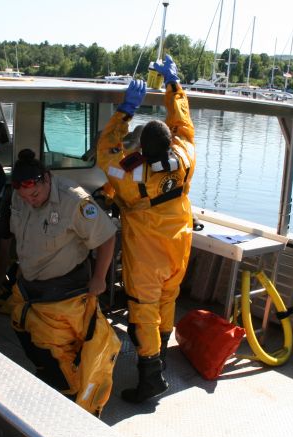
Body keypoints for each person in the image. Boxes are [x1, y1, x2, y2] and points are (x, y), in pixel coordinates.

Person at [96, 54, 196, 403]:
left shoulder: (129, 175)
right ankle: (162, 361)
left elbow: (105, 152)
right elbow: (183, 125)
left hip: (147, 256)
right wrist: (173, 85)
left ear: (141, 149)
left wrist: (125, 112)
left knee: (144, 309)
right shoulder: (184, 157)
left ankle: (151, 378)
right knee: (168, 300)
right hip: (178, 248)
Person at [8, 148, 120, 416]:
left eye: (34, 195)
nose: (30, 201)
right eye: (24, 197)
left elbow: (107, 237)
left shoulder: (75, 201)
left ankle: (69, 406)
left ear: (46, 179)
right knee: (25, 336)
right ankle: (48, 382)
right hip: (29, 289)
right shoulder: (20, 195)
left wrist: (99, 278)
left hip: (63, 294)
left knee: (57, 357)